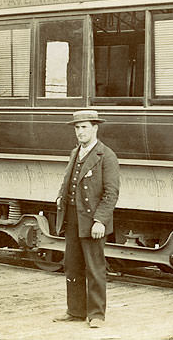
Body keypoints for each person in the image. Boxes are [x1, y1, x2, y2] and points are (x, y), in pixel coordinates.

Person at [53, 110, 120, 329]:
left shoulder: (106, 155)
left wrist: (100, 220)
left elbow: (111, 193)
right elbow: (68, 181)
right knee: (72, 266)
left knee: (95, 267)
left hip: (92, 221)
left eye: (84, 127)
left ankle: (96, 314)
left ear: (95, 128)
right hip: (72, 218)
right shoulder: (75, 152)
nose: (80, 132)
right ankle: (75, 311)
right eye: (77, 127)